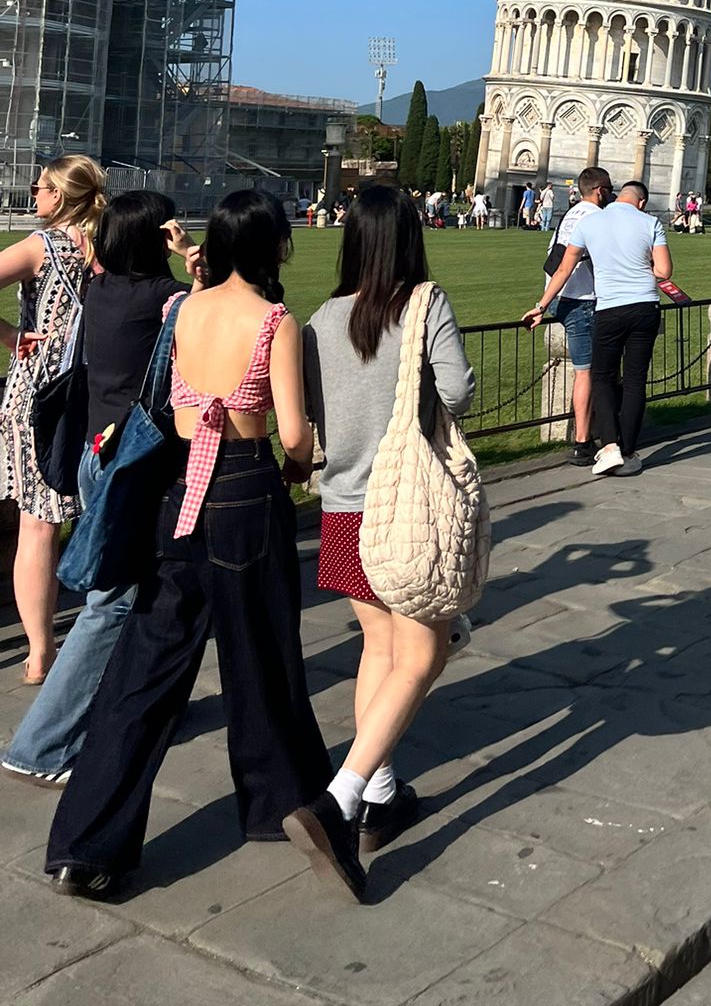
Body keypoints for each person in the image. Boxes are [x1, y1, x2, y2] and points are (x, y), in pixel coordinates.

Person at [46, 192, 352, 903]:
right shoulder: (273, 320)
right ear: (272, 246)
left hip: (178, 489)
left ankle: (86, 843)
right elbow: (294, 432)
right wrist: (299, 465)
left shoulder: (183, 308)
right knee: (263, 655)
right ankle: (279, 800)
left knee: (144, 671)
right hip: (244, 486)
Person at [300, 183, 474, 863]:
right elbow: (458, 391)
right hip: (405, 507)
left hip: (342, 506)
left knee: (378, 647)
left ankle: (380, 790)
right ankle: (343, 798)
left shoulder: (321, 319)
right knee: (422, 656)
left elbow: (314, 411)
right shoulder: (424, 305)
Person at [4, 191, 195, 786]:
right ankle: (41, 745)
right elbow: (232, 310)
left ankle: (117, 709)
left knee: (133, 592)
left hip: (96, 450)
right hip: (131, 464)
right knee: (110, 603)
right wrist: (192, 254)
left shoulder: (100, 291)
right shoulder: (166, 299)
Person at [0, 156, 106, 685]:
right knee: (94, 511)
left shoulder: (41, 247)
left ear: (59, 196)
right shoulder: (106, 246)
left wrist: (10, 337)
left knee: (37, 526)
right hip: (98, 390)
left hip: (40, 394)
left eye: (39, 188)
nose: (34, 196)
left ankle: (40, 651)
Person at [527, 180, 671, 476]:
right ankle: (628, 452)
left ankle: (609, 446)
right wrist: (642, 265)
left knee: (602, 377)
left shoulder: (590, 223)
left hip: (610, 308)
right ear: (641, 202)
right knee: (635, 380)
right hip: (645, 306)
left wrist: (541, 306)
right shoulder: (651, 223)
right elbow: (664, 271)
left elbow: (564, 269)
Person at [526, 166, 610, 465]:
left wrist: (544, 303)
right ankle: (583, 441)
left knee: (595, 367)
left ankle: (603, 427)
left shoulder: (569, 214)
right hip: (582, 299)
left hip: (560, 297)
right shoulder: (598, 218)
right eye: (608, 189)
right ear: (600, 190)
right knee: (586, 372)